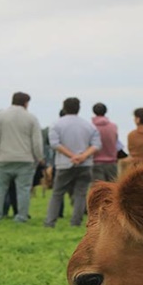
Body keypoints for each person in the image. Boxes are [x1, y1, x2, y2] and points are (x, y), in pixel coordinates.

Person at [44, 97, 101, 228]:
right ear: (79, 108)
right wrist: (82, 156)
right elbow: (96, 145)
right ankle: (76, 222)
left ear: (64, 108)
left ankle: (50, 222)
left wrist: (72, 156)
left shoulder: (56, 124)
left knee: (57, 193)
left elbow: (54, 144)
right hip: (85, 164)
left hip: (64, 164)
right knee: (80, 193)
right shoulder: (88, 125)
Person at [0, 91, 44, 223]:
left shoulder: (0, 116)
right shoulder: (31, 118)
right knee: (23, 190)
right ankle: (21, 216)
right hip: (25, 159)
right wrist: (39, 157)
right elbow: (36, 141)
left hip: (2, 158)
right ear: (26, 103)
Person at [89, 103, 119, 183]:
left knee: (99, 190)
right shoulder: (113, 126)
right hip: (112, 162)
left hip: (96, 161)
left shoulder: (90, 127)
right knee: (113, 190)